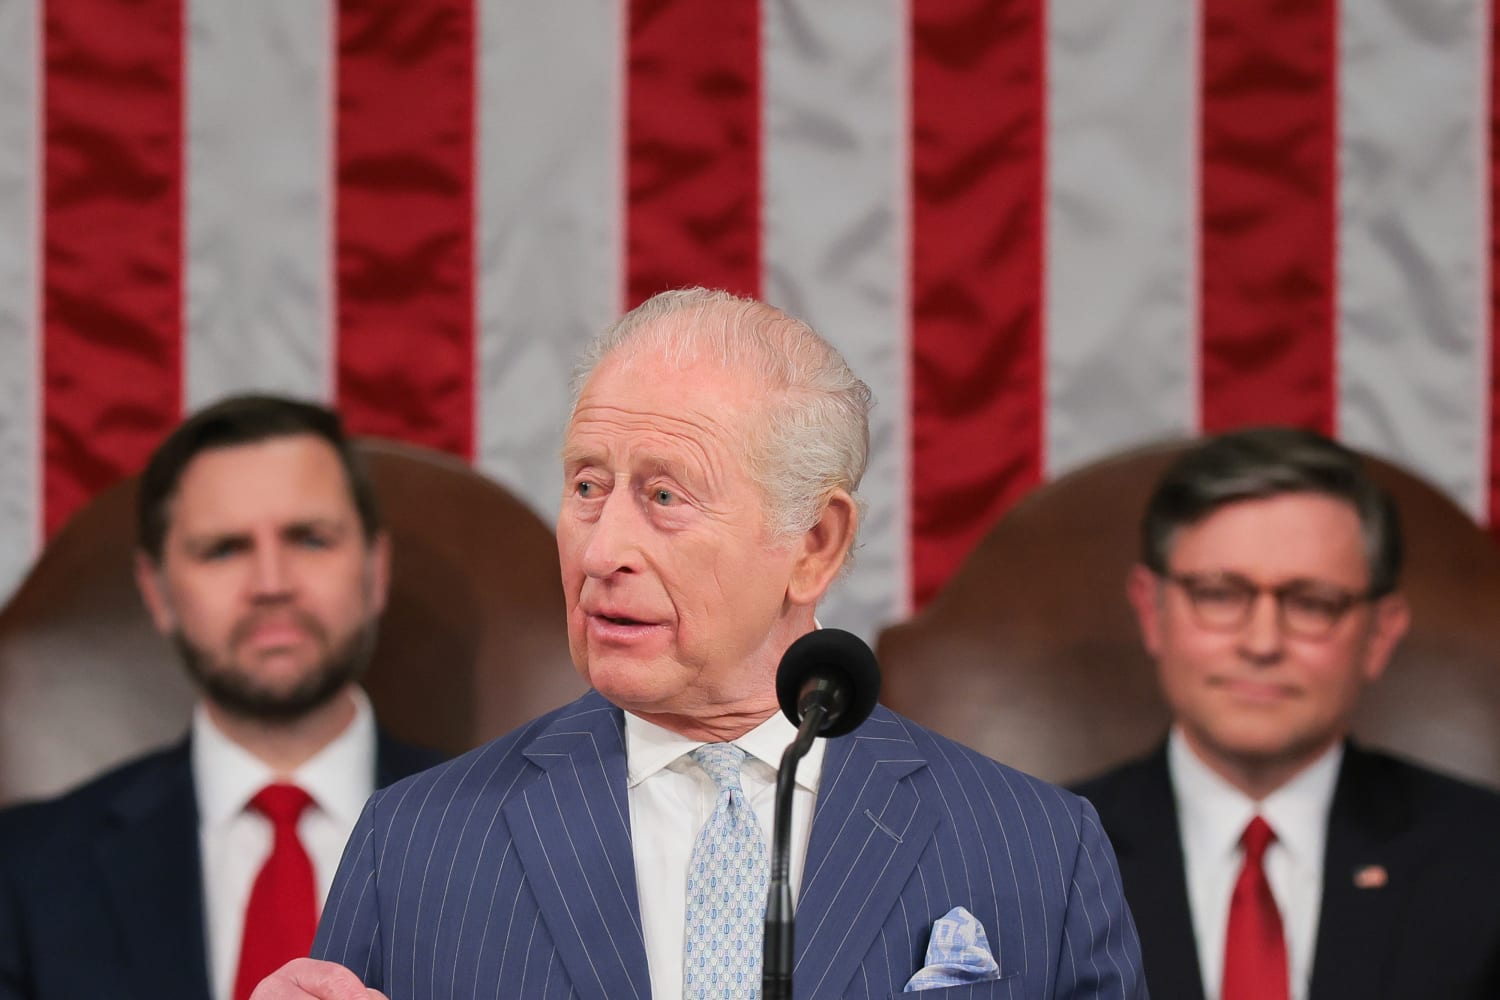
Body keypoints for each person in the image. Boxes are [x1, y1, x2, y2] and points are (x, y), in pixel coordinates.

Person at [253, 288, 1146, 999]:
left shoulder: (1036, 849)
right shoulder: (415, 847)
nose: (601, 552)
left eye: (665, 497)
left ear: (815, 544)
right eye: (587, 486)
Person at [0, 395, 444, 1000]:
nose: (272, 584)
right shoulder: (25, 873)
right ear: (156, 592)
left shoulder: (510, 839)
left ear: (376, 569)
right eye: (224, 549)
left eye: (310, 540)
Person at [1074, 427, 1500, 1000]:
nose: (1262, 643)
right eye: (1219, 593)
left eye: (1311, 603)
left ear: (1380, 634)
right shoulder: (1043, 853)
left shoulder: (1485, 855)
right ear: (1152, 610)